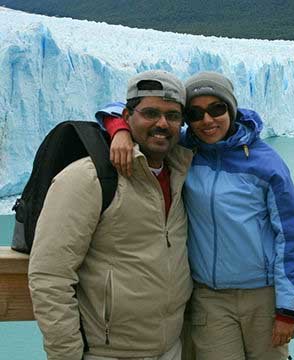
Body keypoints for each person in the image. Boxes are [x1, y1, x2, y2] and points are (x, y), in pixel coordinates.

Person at [99, 71, 294, 360]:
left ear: (231, 109)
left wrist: (288, 309)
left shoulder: (266, 163)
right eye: (195, 113)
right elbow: (118, 108)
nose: (207, 120)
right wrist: (120, 130)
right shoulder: (184, 149)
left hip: (262, 296)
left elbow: (291, 236)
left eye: (216, 109)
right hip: (209, 298)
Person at [28, 70, 194, 360]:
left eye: (173, 115)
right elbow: (49, 277)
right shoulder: (88, 179)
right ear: (127, 116)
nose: (162, 124)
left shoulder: (181, 174)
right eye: (151, 113)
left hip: (170, 349)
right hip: (107, 353)